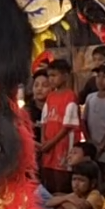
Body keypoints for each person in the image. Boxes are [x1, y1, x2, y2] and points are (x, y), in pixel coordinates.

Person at [38, 58, 80, 194]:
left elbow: (67, 126)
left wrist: (50, 142)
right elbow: (44, 120)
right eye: (49, 75)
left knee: (61, 181)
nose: (51, 79)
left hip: (62, 145)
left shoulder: (70, 97)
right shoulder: (50, 97)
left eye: (54, 75)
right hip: (49, 145)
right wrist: (44, 140)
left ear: (66, 76)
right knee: (48, 180)